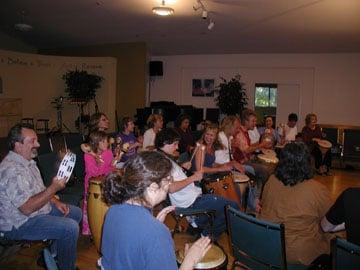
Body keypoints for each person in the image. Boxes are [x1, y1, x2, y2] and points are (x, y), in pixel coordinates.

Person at [100, 151, 211, 270]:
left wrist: (153, 224)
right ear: (153, 187)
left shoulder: (113, 211)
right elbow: (148, 235)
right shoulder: (157, 234)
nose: (170, 183)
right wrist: (190, 260)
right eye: (169, 179)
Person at [0, 123, 82, 270]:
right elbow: (26, 208)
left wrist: (55, 201)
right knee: (70, 228)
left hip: (38, 210)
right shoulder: (11, 170)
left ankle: (52, 256)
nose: (38, 144)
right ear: (18, 145)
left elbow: (40, 190)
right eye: (32, 141)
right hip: (20, 222)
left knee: (75, 212)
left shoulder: (29, 163)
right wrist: (53, 189)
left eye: (37, 140)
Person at [155, 128, 239, 239]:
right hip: (191, 202)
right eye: (175, 144)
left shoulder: (165, 158)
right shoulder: (163, 162)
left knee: (222, 206)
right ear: (165, 143)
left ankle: (198, 225)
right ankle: (205, 235)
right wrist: (194, 177)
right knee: (232, 207)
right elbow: (171, 188)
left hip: (193, 197)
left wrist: (182, 167)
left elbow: (174, 178)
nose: (177, 147)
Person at [259, 142, 333, 266]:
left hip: (268, 244)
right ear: (307, 163)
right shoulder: (318, 189)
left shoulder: (271, 180)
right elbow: (331, 221)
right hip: (298, 256)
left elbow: (265, 205)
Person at [231, 109, 271, 212]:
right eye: (253, 121)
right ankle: (256, 200)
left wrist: (260, 144)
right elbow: (246, 149)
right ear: (246, 121)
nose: (255, 123)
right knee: (264, 171)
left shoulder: (245, 131)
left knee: (264, 168)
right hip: (240, 163)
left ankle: (256, 197)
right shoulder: (239, 132)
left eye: (255, 121)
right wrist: (261, 145)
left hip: (246, 160)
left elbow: (248, 146)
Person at [82, 130, 120, 236]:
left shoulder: (107, 152)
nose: (106, 143)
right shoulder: (88, 155)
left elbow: (109, 167)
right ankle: (91, 230)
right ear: (95, 143)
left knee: (106, 204)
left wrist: (114, 165)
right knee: (92, 206)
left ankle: (106, 227)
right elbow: (92, 173)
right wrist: (99, 163)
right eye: (102, 141)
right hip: (92, 184)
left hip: (105, 181)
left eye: (106, 141)